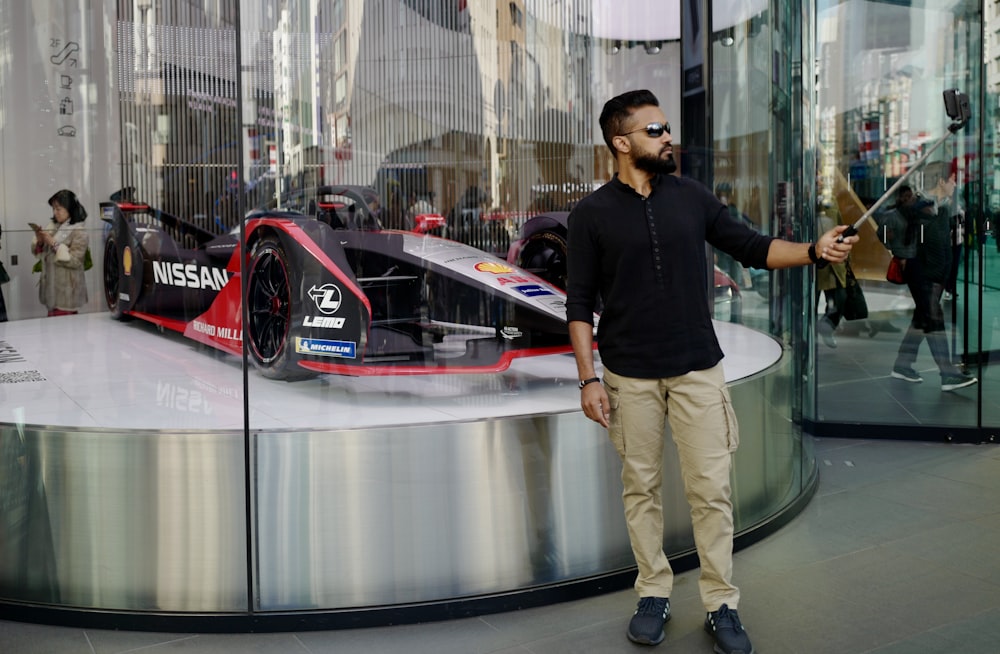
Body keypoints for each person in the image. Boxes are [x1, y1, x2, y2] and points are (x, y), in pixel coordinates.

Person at [565, 89, 857, 654]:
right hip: (629, 377)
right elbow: (577, 306)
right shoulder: (592, 214)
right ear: (621, 142)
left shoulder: (692, 196)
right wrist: (589, 378)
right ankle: (653, 591)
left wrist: (815, 252)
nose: (667, 136)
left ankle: (721, 603)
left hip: (698, 370)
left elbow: (752, 246)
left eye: (667, 127)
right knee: (640, 489)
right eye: (655, 130)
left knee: (711, 491)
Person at [889, 162, 977, 391]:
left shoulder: (943, 207)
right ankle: (947, 373)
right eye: (952, 180)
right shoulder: (918, 207)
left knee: (923, 318)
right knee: (933, 318)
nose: (955, 184)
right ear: (941, 181)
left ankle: (902, 364)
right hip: (921, 273)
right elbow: (892, 233)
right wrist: (905, 257)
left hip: (935, 274)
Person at [31, 189, 89, 316]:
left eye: (58, 209)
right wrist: (40, 241)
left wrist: (52, 242)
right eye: (53, 209)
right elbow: (41, 253)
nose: (55, 212)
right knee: (51, 329)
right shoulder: (53, 226)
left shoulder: (79, 229)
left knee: (65, 330)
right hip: (51, 289)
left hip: (67, 290)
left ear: (70, 208)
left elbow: (76, 261)